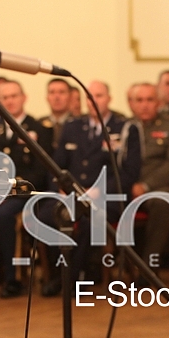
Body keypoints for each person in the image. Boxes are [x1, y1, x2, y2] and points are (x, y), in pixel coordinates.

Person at [40, 80, 141, 295]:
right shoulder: (73, 127)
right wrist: (60, 188)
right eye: (89, 97)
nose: (93, 101)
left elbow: (129, 173)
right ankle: (58, 274)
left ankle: (73, 279)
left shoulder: (124, 128)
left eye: (99, 96)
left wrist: (97, 191)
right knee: (46, 214)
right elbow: (57, 165)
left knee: (86, 220)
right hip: (71, 194)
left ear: (109, 99)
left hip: (107, 197)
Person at [0, 80, 54, 298]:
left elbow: (42, 172)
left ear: (24, 97)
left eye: (14, 96)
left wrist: (9, 189)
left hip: (26, 193)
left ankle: (13, 279)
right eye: (5, 97)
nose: (10, 101)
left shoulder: (40, 129)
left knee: (3, 215)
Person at [128, 82, 169, 267]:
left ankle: (148, 266)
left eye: (149, 100)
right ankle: (121, 265)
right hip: (128, 185)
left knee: (160, 203)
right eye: (140, 100)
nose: (144, 105)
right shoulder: (124, 127)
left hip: (160, 186)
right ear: (132, 103)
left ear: (159, 103)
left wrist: (146, 186)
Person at [44, 77, 75, 147]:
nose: (57, 97)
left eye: (61, 92)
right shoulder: (39, 125)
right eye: (52, 92)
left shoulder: (79, 125)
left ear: (70, 96)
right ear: (47, 97)